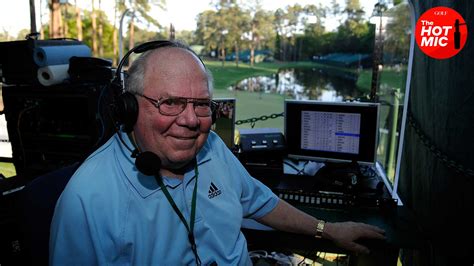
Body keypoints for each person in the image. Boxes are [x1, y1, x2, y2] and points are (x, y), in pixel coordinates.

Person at [49, 40, 386, 265]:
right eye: (170, 103)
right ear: (127, 108)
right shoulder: (87, 198)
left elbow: (261, 202)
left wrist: (327, 230)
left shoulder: (212, 148)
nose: (191, 120)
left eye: (200, 105)